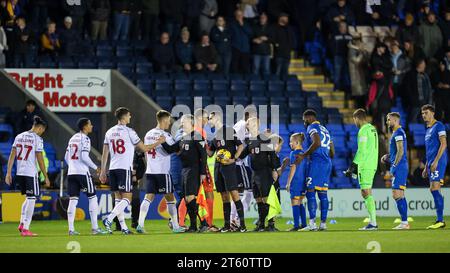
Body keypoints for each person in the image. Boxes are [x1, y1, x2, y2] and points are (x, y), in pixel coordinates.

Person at [100, 107, 154, 234]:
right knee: (127, 199)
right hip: (124, 169)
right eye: (129, 115)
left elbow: (104, 153)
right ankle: (108, 218)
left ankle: (124, 228)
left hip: (112, 169)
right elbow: (144, 148)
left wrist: (103, 171)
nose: (130, 117)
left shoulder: (109, 132)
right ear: (124, 117)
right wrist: (158, 142)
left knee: (118, 199)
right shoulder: (129, 131)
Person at [136, 110, 185, 233]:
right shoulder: (165, 136)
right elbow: (173, 149)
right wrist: (181, 140)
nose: (169, 123)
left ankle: (140, 225)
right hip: (163, 171)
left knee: (148, 197)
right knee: (170, 199)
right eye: (168, 120)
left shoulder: (148, 134)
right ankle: (175, 226)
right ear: (164, 120)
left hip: (151, 171)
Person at [160, 114, 208, 232]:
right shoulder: (182, 138)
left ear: (191, 123)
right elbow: (171, 149)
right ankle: (198, 225)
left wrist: (202, 173)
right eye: (181, 122)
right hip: (184, 170)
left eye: (184, 122)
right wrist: (163, 142)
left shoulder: (197, 136)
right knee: (186, 199)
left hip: (194, 170)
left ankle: (195, 225)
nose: (182, 124)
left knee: (190, 197)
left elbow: (204, 155)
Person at [5, 116, 50, 237]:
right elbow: (40, 159)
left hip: (20, 172)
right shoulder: (37, 139)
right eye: (43, 130)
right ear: (40, 128)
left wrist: (8, 173)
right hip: (31, 173)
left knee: (28, 198)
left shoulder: (19, 136)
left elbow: (12, 155)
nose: (42, 133)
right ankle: (26, 228)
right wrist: (45, 176)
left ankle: (21, 223)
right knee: (32, 199)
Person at [64, 118, 107, 235]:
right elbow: (84, 156)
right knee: (92, 197)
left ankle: (71, 229)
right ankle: (95, 228)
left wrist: (73, 166)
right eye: (90, 124)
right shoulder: (86, 139)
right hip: (82, 173)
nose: (92, 126)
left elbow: (66, 157)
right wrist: (96, 168)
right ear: (85, 127)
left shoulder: (72, 138)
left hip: (71, 173)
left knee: (73, 200)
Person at [208, 111, 247, 232]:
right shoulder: (214, 136)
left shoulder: (229, 131)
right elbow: (210, 154)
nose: (209, 121)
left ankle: (243, 225)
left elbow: (240, 146)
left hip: (228, 167)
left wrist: (233, 159)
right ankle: (226, 226)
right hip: (218, 167)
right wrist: (203, 143)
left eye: (210, 118)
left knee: (234, 194)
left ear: (217, 118)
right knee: (224, 196)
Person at [296, 109, 334, 231]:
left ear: (309, 118)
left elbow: (316, 142)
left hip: (317, 162)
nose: (304, 123)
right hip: (327, 163)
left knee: (310, 191)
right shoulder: (325, 129)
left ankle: (312, 224)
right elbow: (332, 151)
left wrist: (305, 154)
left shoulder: (312, 127)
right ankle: (323, 224)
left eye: (304, 120)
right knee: (323, 194)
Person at [239, 117, 278, 232]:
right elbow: (241, 155)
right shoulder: (251, 141)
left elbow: (271, 154)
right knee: (258, 199)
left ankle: (271, 224)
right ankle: (261, 224)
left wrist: (274, 169)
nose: (246, 126)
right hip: (254, 173)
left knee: (266, 199)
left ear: (255, 124)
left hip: (264, 172)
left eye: (248, 124)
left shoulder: (263, 139)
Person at [344, 109, 379, 230]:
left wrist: (353, 166)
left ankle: (373, 223)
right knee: (366, 192)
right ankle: (373, 221)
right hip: (372, 163)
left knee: (365, 192)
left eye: (354, 120)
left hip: (365, 165)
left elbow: (362, 150)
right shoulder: (372, 128)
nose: (354, 122)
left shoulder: (363, 131)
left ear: (357, 118)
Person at [421, 104, 447, 229]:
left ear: (432, 113)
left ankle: (440, 220)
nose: (424, 115)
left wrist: (436, 161)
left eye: (426, 113)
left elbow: (443, 144)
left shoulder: (439, 126)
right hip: (431, 162)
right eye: (422, 113)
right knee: (434, 189)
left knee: (435, 188)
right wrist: (426, 165)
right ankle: (439, 219)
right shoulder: (428, 129)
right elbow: (429, 150)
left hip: (439, 161)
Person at [382, 113, 410, 229]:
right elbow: (397, 151)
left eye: (389, 120)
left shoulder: (398, 132)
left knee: (396, 193)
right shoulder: (397, 132)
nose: (387, 122)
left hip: (400, 167)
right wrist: (388, 156)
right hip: (400, 165)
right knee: (399, 194)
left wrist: (394, 165)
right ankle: (404, 222)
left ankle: (404, 222)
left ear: (395, 120)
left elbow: (401, 151)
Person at [193, 109, 218, 231]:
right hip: (200, 166)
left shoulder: (193, 130)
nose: (207, 120)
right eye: (205, 117)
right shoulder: (199, 132)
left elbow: (207, 152)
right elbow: (205, 154)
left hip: (193, 166)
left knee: (192, 194)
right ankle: (208, 223)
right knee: (208, 193)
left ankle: (179, 221)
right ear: (199, 118)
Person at [230, 110, 255, 229]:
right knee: (249, 192)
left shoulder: (239, 126)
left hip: (238, 164)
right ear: (247, 118)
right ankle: (237, 220)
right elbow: (246, 144)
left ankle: (232, 219)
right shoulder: (241, 126)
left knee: (238, 193)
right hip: (240, 164)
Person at [285, 133, 308, 231]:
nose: (290, 143)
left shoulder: (293, 153)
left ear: (297, 142)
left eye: (291, 141)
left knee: (295, 203)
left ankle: (296, 226)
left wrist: (288, 182)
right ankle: (304, 224)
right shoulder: (305, 154)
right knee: (300, 202)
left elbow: (293, 167)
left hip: (296, 181)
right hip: (303, 182)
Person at [270, 13, 295, 80]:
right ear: (280, 18)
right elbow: (272, 39)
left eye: (287, 18)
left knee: (285, 73)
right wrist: (276, 45)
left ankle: (285, 88)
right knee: (277, 72)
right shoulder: (275, 28)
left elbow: (292, 40)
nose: (286, 19)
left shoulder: (289, 28)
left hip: (287, 54)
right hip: (278, 54)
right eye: (285, 17)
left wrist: (290, 48)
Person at [348, 35, 368, 107]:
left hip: (362, 75)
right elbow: (356, 61)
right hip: (355, 76)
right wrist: (362, 53)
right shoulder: (352, 50)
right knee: (359, 95)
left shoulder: (359, 50)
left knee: (363, 94)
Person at [229, 9, 253, 74]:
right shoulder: (232, 24)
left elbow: (250, 33)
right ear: (235, 16)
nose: (239, 16)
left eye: (240, 15)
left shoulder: (247, 24)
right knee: (234, 66)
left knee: (245, 67)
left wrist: (242, 25)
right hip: (235, 47)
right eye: (238, 15)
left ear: (243, 16)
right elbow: (230, 36)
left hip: (245, 49)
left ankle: (245, 81)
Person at [332, 21, 352, 93]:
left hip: (347, 57)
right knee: (337, 73)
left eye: (345, 26)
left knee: (347, 73)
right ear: (339, 28)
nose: (344, 28)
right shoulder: (335, 36)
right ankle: (336, 87)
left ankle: (347, 89)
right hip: (338, 57)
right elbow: (332, 46)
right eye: (342, 26)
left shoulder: (349, 36)